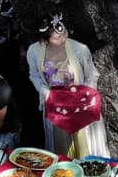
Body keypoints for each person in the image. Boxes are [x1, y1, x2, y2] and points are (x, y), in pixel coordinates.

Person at [25, 11, 109, 158]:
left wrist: (85, 96)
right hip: (55, 103)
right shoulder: (34, 51)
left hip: (80, 103)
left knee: (85, 147)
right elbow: (34, 76)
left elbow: (92, 75)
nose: (64, 37)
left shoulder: (79, 50)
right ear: (45, 40)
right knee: (61, 149)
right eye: (58, 36)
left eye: (64, 31)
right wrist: (46, 92)